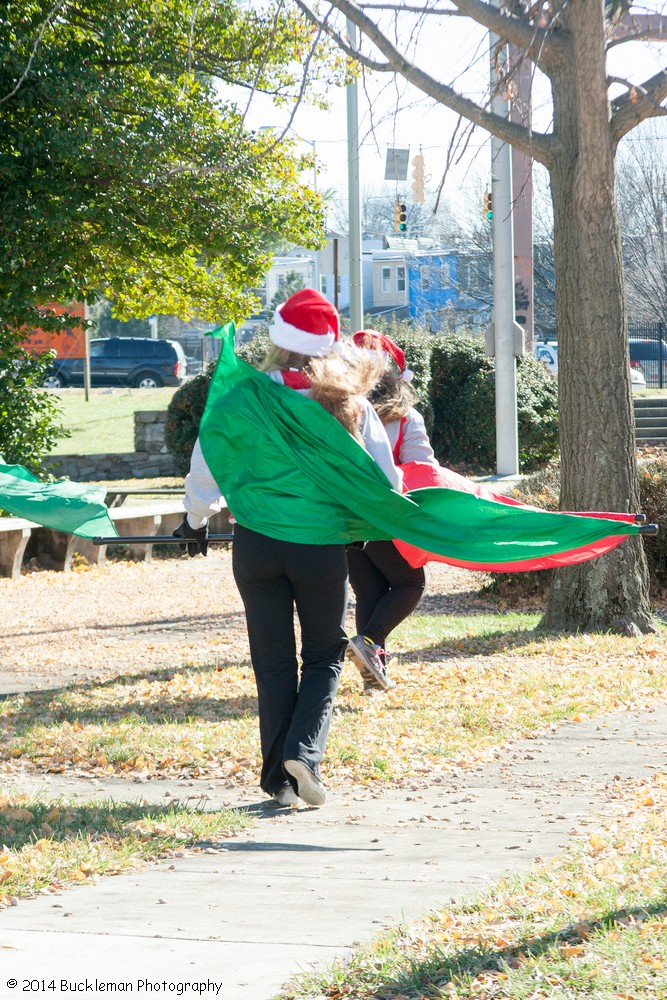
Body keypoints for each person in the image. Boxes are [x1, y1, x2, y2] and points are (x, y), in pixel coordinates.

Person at [174, 290, 401, 809]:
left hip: (255, 546)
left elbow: (207, 463)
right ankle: (304, 755)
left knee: (271, 662)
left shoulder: (242, 400)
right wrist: (366, 524)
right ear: (330, 349)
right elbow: (383, 483)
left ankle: (279, 781)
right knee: (323, 655)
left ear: (276, 342)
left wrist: (194, 520)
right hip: (318, 549)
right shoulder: (351, 408)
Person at [346, 330, 437, 693]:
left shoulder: (338, 410)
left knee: (370, 592)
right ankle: (369, 643)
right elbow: (421, 467)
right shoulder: (406, 417)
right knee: (410, 583)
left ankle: (373, 670)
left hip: (345, 517)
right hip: (384, 515)